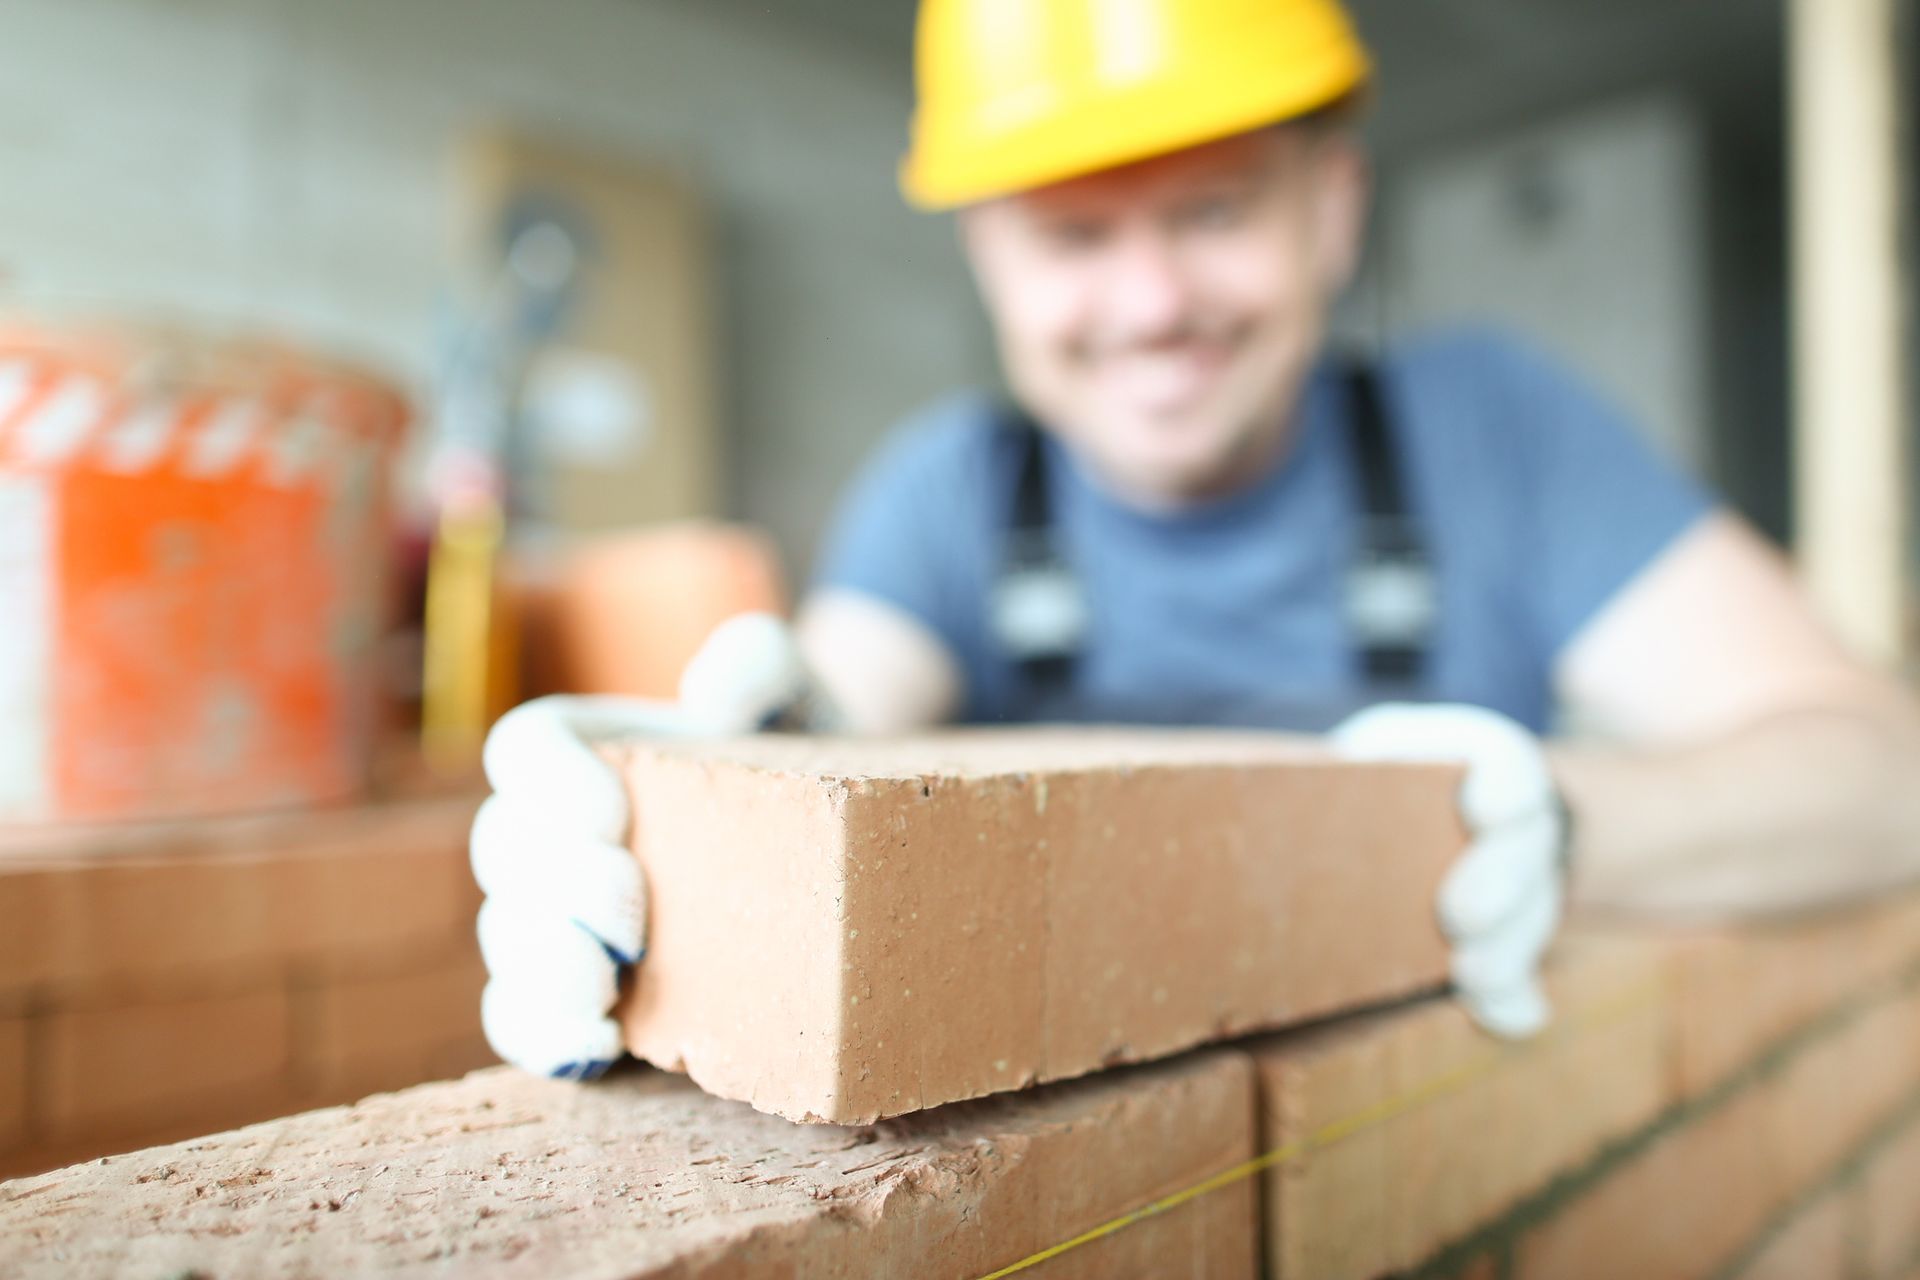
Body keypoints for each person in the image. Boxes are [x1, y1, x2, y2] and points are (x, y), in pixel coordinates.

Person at [471, 0, 1920, 1080]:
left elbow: (1884, 778)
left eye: (1215, 208)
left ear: (1331, 209)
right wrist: (686, 816)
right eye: (1076, 238)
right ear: (992, 259)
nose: (1154, 301)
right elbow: (833, 715)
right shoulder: (950, 494)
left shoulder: (1500, 430)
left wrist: (1560, 825)